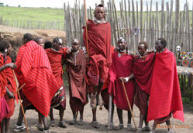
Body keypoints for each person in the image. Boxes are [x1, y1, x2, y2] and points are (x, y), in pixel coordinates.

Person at [14, 33, 59, 132]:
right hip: (42, 82)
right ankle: (46, 128)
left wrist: (13, 67)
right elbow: (47, 67)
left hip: (30, 82)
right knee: (41, 102)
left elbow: (20, 65)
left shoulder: (25, 48)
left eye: (23, 40)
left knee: (25, 104)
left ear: (26, 40)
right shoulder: (40, 50)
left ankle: (18, 124)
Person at [83, 4, 112, 127]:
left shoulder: (107, 26)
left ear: (104, 14)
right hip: (93, 58)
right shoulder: (90, 25)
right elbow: (85, 38)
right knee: (92, 87)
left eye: (101, 12)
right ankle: (94, 118)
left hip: (103, 58)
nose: (99, 14)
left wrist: (108, 56)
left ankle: (99, 93)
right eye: (97, 12)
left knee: (103, 79)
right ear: (94, 14)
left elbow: (107, 41)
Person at [147, 38, 184, 133]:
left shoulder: (170, 55)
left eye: (157, 44)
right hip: (157, 85)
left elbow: (171, 71)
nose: (155, 45)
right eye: (155, 44)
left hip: (167, 86)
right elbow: (145, 61)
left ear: (163, 45)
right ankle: (159, 128)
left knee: (166, 107)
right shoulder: (155, 55)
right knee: (157, 106)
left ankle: (168, 128)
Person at [108, 37, 134, 130]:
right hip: (119, 83)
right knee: (118, 103)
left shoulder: (131, 55)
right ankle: (121, 123)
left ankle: (129, 123)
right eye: (118, 42)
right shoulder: (114, 55)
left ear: (126, 44)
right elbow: (112, 67)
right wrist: (113, 77)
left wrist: (128, 78)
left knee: (129, 103)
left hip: (129, 83)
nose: (120, 44)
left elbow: (135, 70)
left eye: (122, 43)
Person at [45, 37, 69, 128]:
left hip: (59, 81)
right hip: (50, 81)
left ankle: (61, 120)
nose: (61, 46)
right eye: (59, 44)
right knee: (50, 101)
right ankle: (51, 120)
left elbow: (67, 50)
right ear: (54, 43)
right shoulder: (47, 52)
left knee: (62, 101)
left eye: (61, 44)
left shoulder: (61, 51)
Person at [133, 41, 155, 131]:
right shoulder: (136, 59)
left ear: (146, 49)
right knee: (142, 105)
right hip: (140, 85)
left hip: (150, 85)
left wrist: (150, 52)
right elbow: (135, 72)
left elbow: (156, 52)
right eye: (138, 48)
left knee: (149, 106)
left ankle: (147, 125)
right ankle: (140, 126)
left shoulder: (150, 57)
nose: (139, 50)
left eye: (141, 48)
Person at [65, 39, 87, 124]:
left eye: (76, 44)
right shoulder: (68, 54)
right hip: (72, 79)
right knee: (73, 98)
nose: (75, 46)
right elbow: (62, 60)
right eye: (73, 44)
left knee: (81, 98)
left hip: (81, 80)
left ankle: (81, 117)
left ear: (79, 45)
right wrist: (66, 54)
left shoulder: (83, 54)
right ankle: (74, 116)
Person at [0, 40, 16, 133]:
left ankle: (6, 130)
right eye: (9, 47)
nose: (11, 49)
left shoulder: (8, 58)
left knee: (9, 113)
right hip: (3, 90)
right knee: (2, 113)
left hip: (10, 88)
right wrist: (7, 66)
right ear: (5, 48)